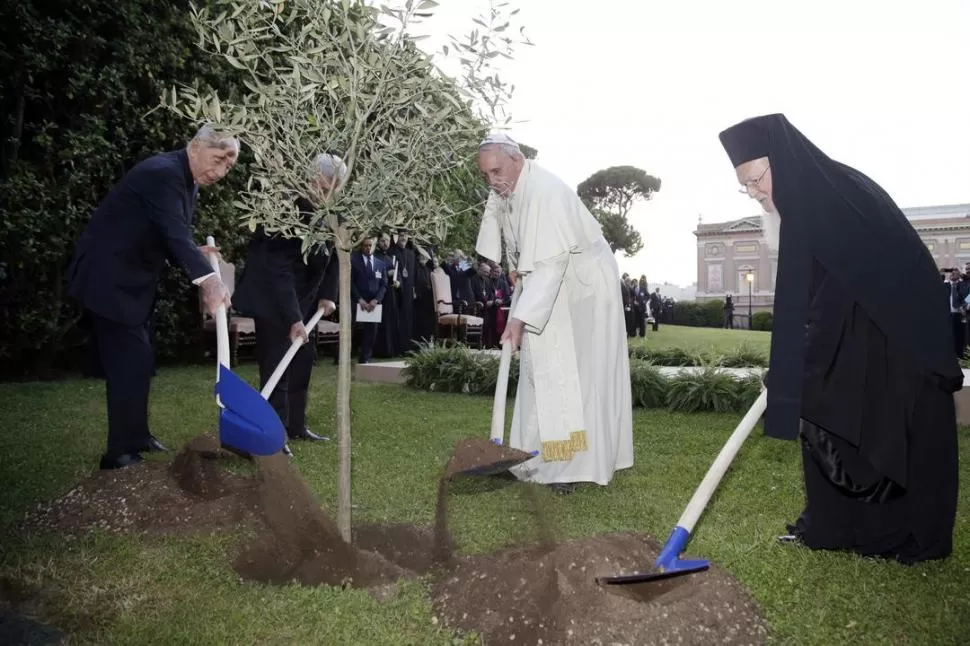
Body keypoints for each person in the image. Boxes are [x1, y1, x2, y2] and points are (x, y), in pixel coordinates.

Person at [718, 113, 962, 564]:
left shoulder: (826, 200)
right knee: (827, 408)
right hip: (861, 331)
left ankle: (889, 532)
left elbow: (832, 299)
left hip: (896, 340)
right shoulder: (820, 192)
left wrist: (795, 367)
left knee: (862, 419)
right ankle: (835, 525)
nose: (755, 195)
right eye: (745, 188)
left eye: (755, 180)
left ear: (781, 162)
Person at [67, 125, 237, 470]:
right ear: (195, 146)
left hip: (134, 282)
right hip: (109, 279)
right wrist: (209, 282)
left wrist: (195, 250)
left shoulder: (187, 181)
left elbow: (168, 232)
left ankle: (138, 435)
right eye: (218, 160)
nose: (220, 173)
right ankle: (119, 454)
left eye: (228, 167)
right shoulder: (162, 174)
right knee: (130, 363)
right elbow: (174, 234)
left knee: (141, 361)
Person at [475, 133, 634, 494]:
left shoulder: (544, 192)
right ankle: (534, 456)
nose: (492, 181)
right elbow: (513, 235)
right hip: (551, 280)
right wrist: (515, 264)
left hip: (584, 289)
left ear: (516, 160)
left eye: (497, 171)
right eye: (486, 175)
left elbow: (550, 262)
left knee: (577, 374)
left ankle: (572, 467)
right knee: (541, 367)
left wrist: (518, 319)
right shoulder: (509, 185)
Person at [233, 152, 346, 455]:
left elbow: (335, 254)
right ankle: (275, 433)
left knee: (301, 361)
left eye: (338, 187)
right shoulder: (285, 209)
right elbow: (277, 269)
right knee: (276, 364)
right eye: (329, 185)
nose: (333, 192)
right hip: (272, 297)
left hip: (304, 297)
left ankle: (296, 425)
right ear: (315, 178)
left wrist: (327, 295)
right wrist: (293, 318)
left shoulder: (331, 210)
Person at [350, 237, 388, 364]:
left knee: (372, 333)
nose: (368, 247)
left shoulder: (380, 264)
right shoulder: (354, 261)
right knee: (352, 330)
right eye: (365, 245)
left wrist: (376, 300)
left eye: (370, 245)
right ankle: (342, 357)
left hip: (374, 304)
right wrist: (359, 299)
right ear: (361, 247)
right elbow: (351, 282)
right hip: (358, 301)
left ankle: (364, 358)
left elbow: (384, 285)